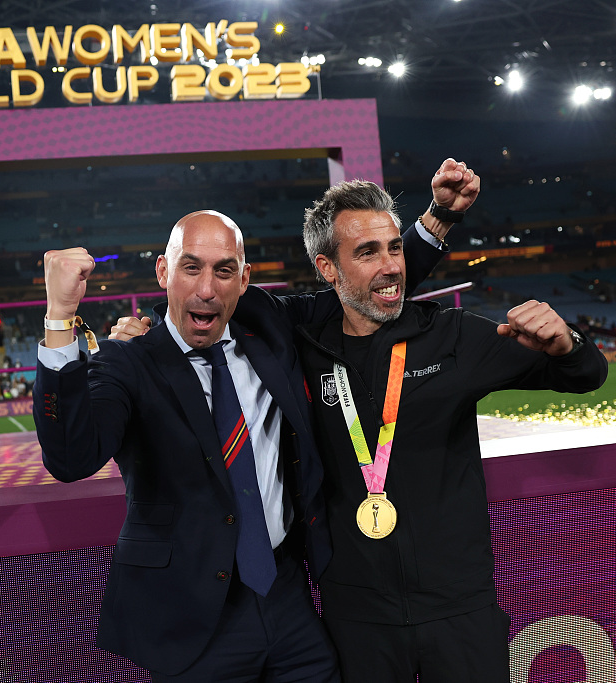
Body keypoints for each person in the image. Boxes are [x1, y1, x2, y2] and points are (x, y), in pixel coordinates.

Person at [70, 161, 479, 680]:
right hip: (196, 616)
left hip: (288, 598)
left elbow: (365, 289)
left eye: (223, 271)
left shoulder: (267, 324)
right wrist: (59, 318)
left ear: (244, 280)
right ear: (163, 272)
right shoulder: (130, 358)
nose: (205, 290)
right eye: (190, 267)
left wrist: (438, 220)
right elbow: (72, 456)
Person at [293, 180, 608, 682]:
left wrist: (568, 342)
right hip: (357, 620)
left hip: (460, 610)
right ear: (327, 267)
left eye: (396, 247)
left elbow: (585, 376)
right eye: (368, 252)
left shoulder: (453, 337)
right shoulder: (302, 349)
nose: (392, 265)